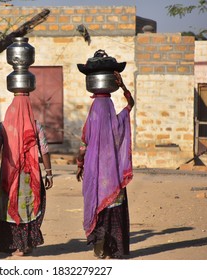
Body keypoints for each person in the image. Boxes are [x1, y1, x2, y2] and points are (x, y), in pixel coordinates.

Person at [76, 71, 134, 259]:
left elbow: (83, 145)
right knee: (113, 209)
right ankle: (114, 250)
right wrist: (123, 86)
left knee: (98, 209)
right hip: (113, 176)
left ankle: (100, 251)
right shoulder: (117, 123)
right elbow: (130, 105)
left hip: (95, 174)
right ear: (110, 108)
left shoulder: (90, 121)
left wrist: (80, 164)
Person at [0, 92, 53, 256]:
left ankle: (11, 243)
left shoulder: (2, 126)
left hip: (9, 175)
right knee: (27, 207)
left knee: (10, 205)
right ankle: (25, 244)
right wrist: (48, 173)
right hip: (29, 175)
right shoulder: (35, 126)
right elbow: (45, 150)